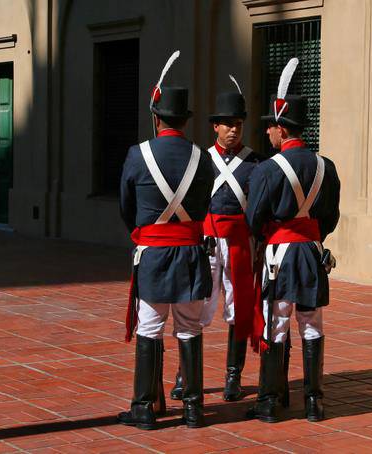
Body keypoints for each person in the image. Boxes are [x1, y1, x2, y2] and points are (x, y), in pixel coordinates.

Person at [117, 51, 213, 430]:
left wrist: (145, 232)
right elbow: (203, 206)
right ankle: (193, 408)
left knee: (150, 326)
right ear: (183, 120)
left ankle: (144, 408)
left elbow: (127, 206)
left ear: (156, 118)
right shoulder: (202, 158)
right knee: (190, 328)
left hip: (154, 254)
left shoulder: (137, 155)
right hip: (190, 253)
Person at [246, 58, 341, 423]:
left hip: (281, 254)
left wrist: (268, 237)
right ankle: (314, 402)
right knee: (313, 323)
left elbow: (255, 218)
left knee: (278, 323)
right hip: (312, 253)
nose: (268, 132)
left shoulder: (268, 169)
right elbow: (330, 217)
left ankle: (270, 401)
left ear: (282, 129)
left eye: (271, 126)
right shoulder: (325, 166)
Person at [169, 77, 262, 403]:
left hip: (238, 242)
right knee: (195, 308)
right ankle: (185, 373)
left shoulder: (256, 162)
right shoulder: (200, 160)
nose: (233, 130)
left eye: (238, 124)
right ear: (215, 128)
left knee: (239, 308)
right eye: (227, 125)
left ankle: (233, 376)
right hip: (206, 240)